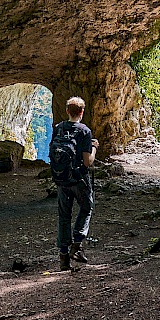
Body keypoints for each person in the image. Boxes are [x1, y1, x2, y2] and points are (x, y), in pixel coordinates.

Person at [50, 96, 98, 272]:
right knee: (86, 208)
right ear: (82, 112)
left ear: (67, 111)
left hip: (61, 178)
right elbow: (87, 162)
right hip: (79, 178)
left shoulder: (58, 128)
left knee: (64, 216)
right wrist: (94, 148)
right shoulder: (84, 131)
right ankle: (77, 246)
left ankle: (63, 259)